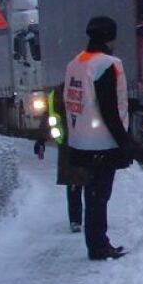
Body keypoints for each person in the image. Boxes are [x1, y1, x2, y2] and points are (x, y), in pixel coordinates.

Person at [63, 16, 134, 261]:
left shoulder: (76, 63)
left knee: (90, 195)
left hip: (79, 141)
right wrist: (124, 141)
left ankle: (95, 242)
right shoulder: (106, 65)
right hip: (102, 142)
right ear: (109, 37)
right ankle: (99, 245)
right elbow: (109, 108)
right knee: (99, 197)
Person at [33, 85, 85, 233]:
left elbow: (49, 115)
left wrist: (41, 139)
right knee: (89, 183)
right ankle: (87, 219)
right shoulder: (90, 86)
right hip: (87, 143)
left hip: (69, 145)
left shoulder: (60, 91)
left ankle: (76, 220)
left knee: (75, 183)